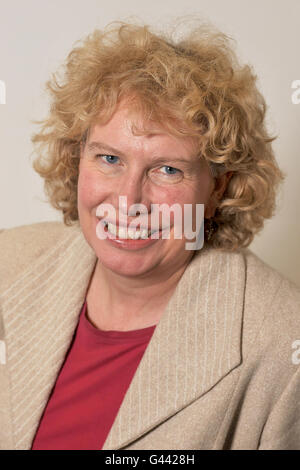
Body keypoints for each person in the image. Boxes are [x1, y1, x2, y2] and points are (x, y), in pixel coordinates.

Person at [0, 19, 299, 451]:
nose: (129, 199)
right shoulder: (8, 262)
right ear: (75, 158)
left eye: (168, 169)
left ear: (218, 188)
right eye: (109, 158)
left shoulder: (283, 346)